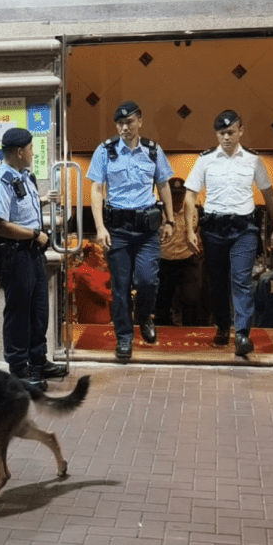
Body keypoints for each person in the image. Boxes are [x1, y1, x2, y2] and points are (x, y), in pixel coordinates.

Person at [184, 109, 273, 356]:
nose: (226, 137)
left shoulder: (253, 159)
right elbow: (190, 195)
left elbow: (269, 194)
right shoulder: (204, 159)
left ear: (241, 131)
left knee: (241, 280)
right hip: (214, 228)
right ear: (216, 134)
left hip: (244, 229)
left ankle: (242, 335)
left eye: (230, 132)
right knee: (216, 282)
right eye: (221, 133)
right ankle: (221, 326)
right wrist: (189, 230)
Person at [87, 100, 175, 360]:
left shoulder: (152, 150)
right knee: (121, 286)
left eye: (129, 122)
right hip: (118, 229)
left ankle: (145, 316)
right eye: (120, 123)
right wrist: (100, 226)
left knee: (148, 280)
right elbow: (95, 189)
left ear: (140, 121)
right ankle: (124, 337)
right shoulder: (105, 151)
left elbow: (164, 185)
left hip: (147, 229)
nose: (125, 127)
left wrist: (170, 220)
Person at [0, 127, 69, 389]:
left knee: (38, 311)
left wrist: (45, 199)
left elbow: (20, 208)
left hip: (32, 255)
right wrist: (35, 234)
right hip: (15, 256)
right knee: (19, 313)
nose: (34, 152)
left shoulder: (23, 177)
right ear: (20, 152)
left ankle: (38, 360)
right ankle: (19, 368)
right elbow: (1, 225)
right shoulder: (0, 181)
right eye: (32, 148)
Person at [155, 176, 203, 327]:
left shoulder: (195, 211)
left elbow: (200, 233)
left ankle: (189, 335)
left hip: (187, 260)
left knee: (191, 300)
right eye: (173, 195)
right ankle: (162, 337)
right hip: (163, 261)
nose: (177, 199)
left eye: (180, 195)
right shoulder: (156, 211)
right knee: (162, 303)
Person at [68, 240, 113, 325]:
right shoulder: (84, 271)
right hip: (93, 322)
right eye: (99, 254)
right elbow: (99, 291)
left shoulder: (94, 270)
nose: (102, 257)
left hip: (102, 319)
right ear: (91, 255)